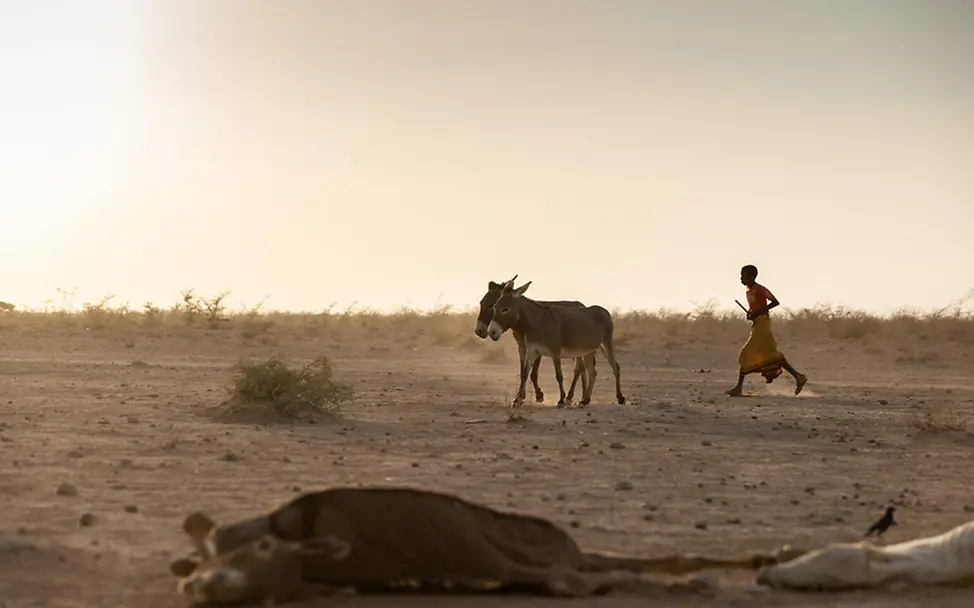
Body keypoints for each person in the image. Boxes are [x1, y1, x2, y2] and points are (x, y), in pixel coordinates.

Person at [727, 265, 808, 397]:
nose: (741, 278)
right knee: (770, 353)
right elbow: (754, 308)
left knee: (745, 353)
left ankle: (739, 387)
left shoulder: (760, 289)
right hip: (758, 324)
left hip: (763, 324)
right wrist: (751, 314)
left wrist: (758, 312)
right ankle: (799, 377)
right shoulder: (748, 290)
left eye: (743, 276)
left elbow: (775, 302)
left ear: (752, 276)